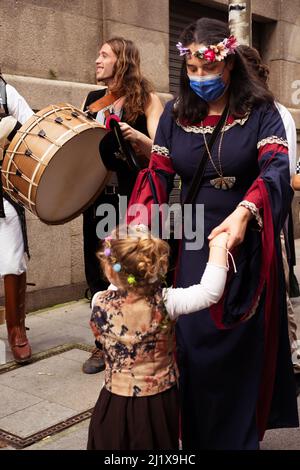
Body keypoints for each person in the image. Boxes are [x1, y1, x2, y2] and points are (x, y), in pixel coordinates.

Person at [126, 18, 299, 449]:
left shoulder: (260, 113)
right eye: (193, 70)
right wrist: (138, 226)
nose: (201, 78)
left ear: (229, 64)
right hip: (192, 245)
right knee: (193, 351)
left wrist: (245, 212)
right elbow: (158, 174)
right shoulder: (173, 115)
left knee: (238, 353)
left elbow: (277, 169)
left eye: (210, 69)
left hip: (244, 242)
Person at [87, 224, 229, 450]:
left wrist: (116, 256)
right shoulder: (167, 302)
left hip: (113, 400)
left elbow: (120, 280)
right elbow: (209, 292)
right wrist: (219, 245)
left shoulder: (99, 301)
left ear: (111, 270)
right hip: (157, 402)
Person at [81, 37, 163, 375]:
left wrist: (139, 139)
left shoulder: (147, 99)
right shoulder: (91, 100)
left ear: (123, 60)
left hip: (133, 200)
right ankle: (102, 341)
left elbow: (163, 150)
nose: (97, 60)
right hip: (95, 198)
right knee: (97, 269)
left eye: (104, 55)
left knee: (132, 268)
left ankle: (138, 338)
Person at [239, 45, 300, 396]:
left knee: (275, 287)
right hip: (231, 221)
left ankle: (289, 356)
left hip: (266, 220)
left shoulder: (277, 114)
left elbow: (285, 173)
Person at [0, 74, 34, 363]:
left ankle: (16, 329)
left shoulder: (5, 92)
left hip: (4, 194)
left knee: (13, 261)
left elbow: (34, 131)